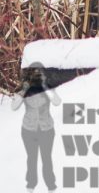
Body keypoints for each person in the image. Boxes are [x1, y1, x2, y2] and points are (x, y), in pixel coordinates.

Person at [12, 61, 60, 192]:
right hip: (28, 130)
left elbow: (57, 102)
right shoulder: (25, 87)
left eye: (39, 72)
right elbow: (14, 106)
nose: (37, 75)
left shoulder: (47, 87)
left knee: (47, 159)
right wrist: (25, 87)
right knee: (31, 159)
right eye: (34, 72)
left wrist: (45, 86)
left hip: (47, 129)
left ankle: (51, 187)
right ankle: (30, 186)